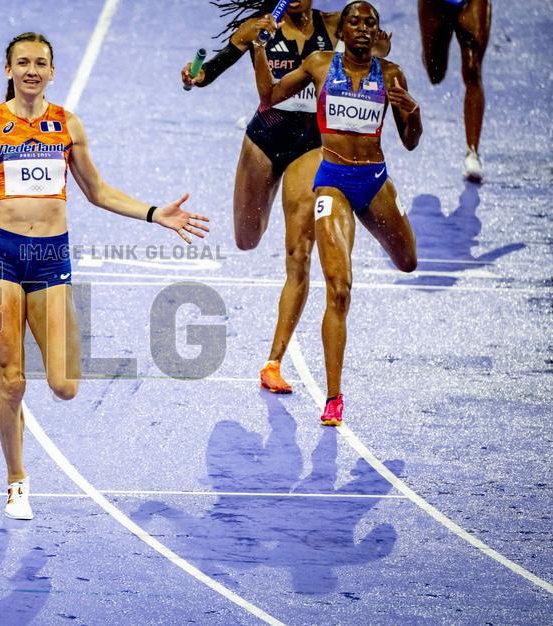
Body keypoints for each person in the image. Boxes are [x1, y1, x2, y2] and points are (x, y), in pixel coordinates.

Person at [0, 32, 209, 520]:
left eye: (40, 63)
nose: (31, 70)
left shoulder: (67, 125)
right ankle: (16, 481)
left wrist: (155, 213)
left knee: (66, 386)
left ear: (52, 71)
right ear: (8, 70)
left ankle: (23, 455)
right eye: (22, 62)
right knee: (11, 382)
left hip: (51, 259)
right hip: (0, 256)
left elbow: (97, 191)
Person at [182, 0, 390, 393]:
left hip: (312, 144)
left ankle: (272, 362)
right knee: (246, 240)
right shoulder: (256, 27)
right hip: (265, 136)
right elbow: (212, 69)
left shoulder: (335, 27)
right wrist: (194, 76)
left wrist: (378, 48)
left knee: (298, 254)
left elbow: (369, 54)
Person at [252, 1, 421, 426]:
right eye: (355, 22)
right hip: (334, 184)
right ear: (341, 31)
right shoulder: (319, 64)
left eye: (371, 22)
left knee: (408, 261)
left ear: (377, 33)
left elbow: (412, 140)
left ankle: (328, 392)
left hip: (375, 182)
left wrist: (410, 110)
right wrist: (258, 52)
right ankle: (333, 398)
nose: (363, 28)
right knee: (339, 288)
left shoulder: (392, 74)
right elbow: (270, 97)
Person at [418, 0, 490, 182]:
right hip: (434, 4)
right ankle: (431, 45)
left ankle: (472, 153)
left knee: (473, 70)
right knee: (435, 74)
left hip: (471, 3)